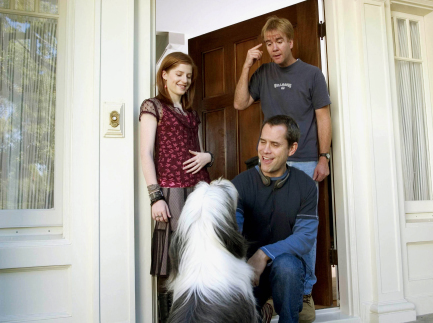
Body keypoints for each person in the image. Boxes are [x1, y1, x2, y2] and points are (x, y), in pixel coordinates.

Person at [234, 15, 331, 321]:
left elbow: (323, 116)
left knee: (302, 229)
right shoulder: (262, 73)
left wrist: (324, 156)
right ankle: (266, 295)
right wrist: (247, 65)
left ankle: (303, 294)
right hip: (269, 161)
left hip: (302, 159)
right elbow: (239, 103)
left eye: (279, 41)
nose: (274, 48)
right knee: (266, 221)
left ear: (290, 41)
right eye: (269, 42)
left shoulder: (312, 74)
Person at [139, 52, 213, 322]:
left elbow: (200, 151)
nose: (184, 80)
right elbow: (145, 153)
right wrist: (155, 197)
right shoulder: (153, 106)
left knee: (199, 257)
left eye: (189, 76)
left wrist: (209, 157)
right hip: (171, 192)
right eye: (179, 74)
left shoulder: (191, 113)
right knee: (172, 263)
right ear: (165, 75)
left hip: (199, 190)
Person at [232, 115, 318, 323]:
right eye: (263, 142)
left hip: (286, 273)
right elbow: (233, 231)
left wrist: (264, 254)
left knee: (287, 265)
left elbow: (305, 237)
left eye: (275, 144)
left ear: (292, 149)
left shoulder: (305, 186)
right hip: (250, 274)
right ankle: (262, 309)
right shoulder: (240, 184)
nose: (265, 150)